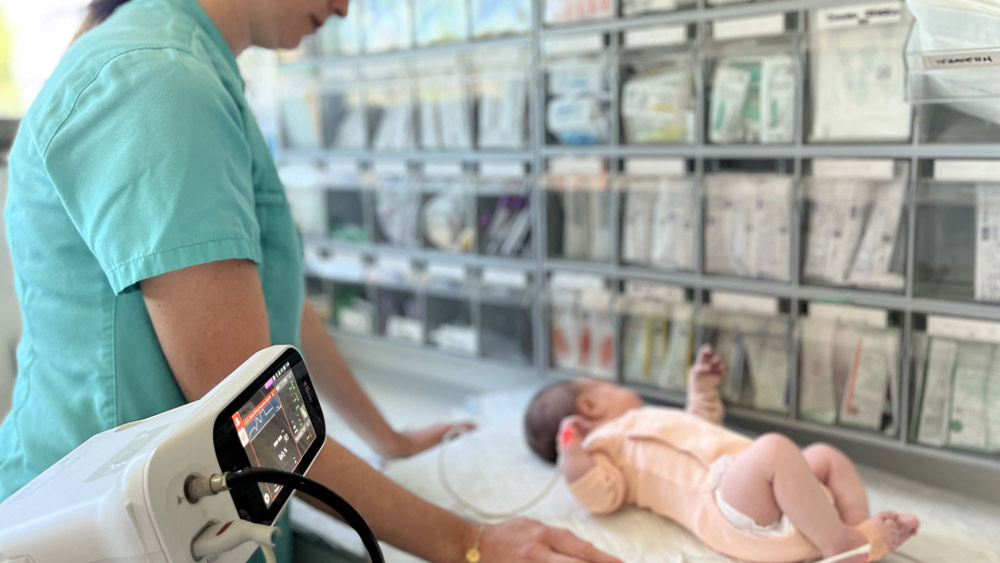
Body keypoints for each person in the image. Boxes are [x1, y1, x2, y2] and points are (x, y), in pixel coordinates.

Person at [0, 0, 621, 562]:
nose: (349, 9)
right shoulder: (159, 81)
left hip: (215, 511)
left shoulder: (193, 68)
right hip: (118, 529)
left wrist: (389, 437)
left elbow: (276, 308)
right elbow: (255, 424)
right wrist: (472, 544)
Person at [524, 345, 920, 563]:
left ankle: (857, 533)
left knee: (824, 455)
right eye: (604, 384)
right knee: (775, 447)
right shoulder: (603, 448)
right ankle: (844, 546)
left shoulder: (652, 420)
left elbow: (699, 424)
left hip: (771, 491)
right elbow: (599, 496)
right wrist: (573, 454)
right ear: (591, 405)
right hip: (722, 505)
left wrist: (701, 385)